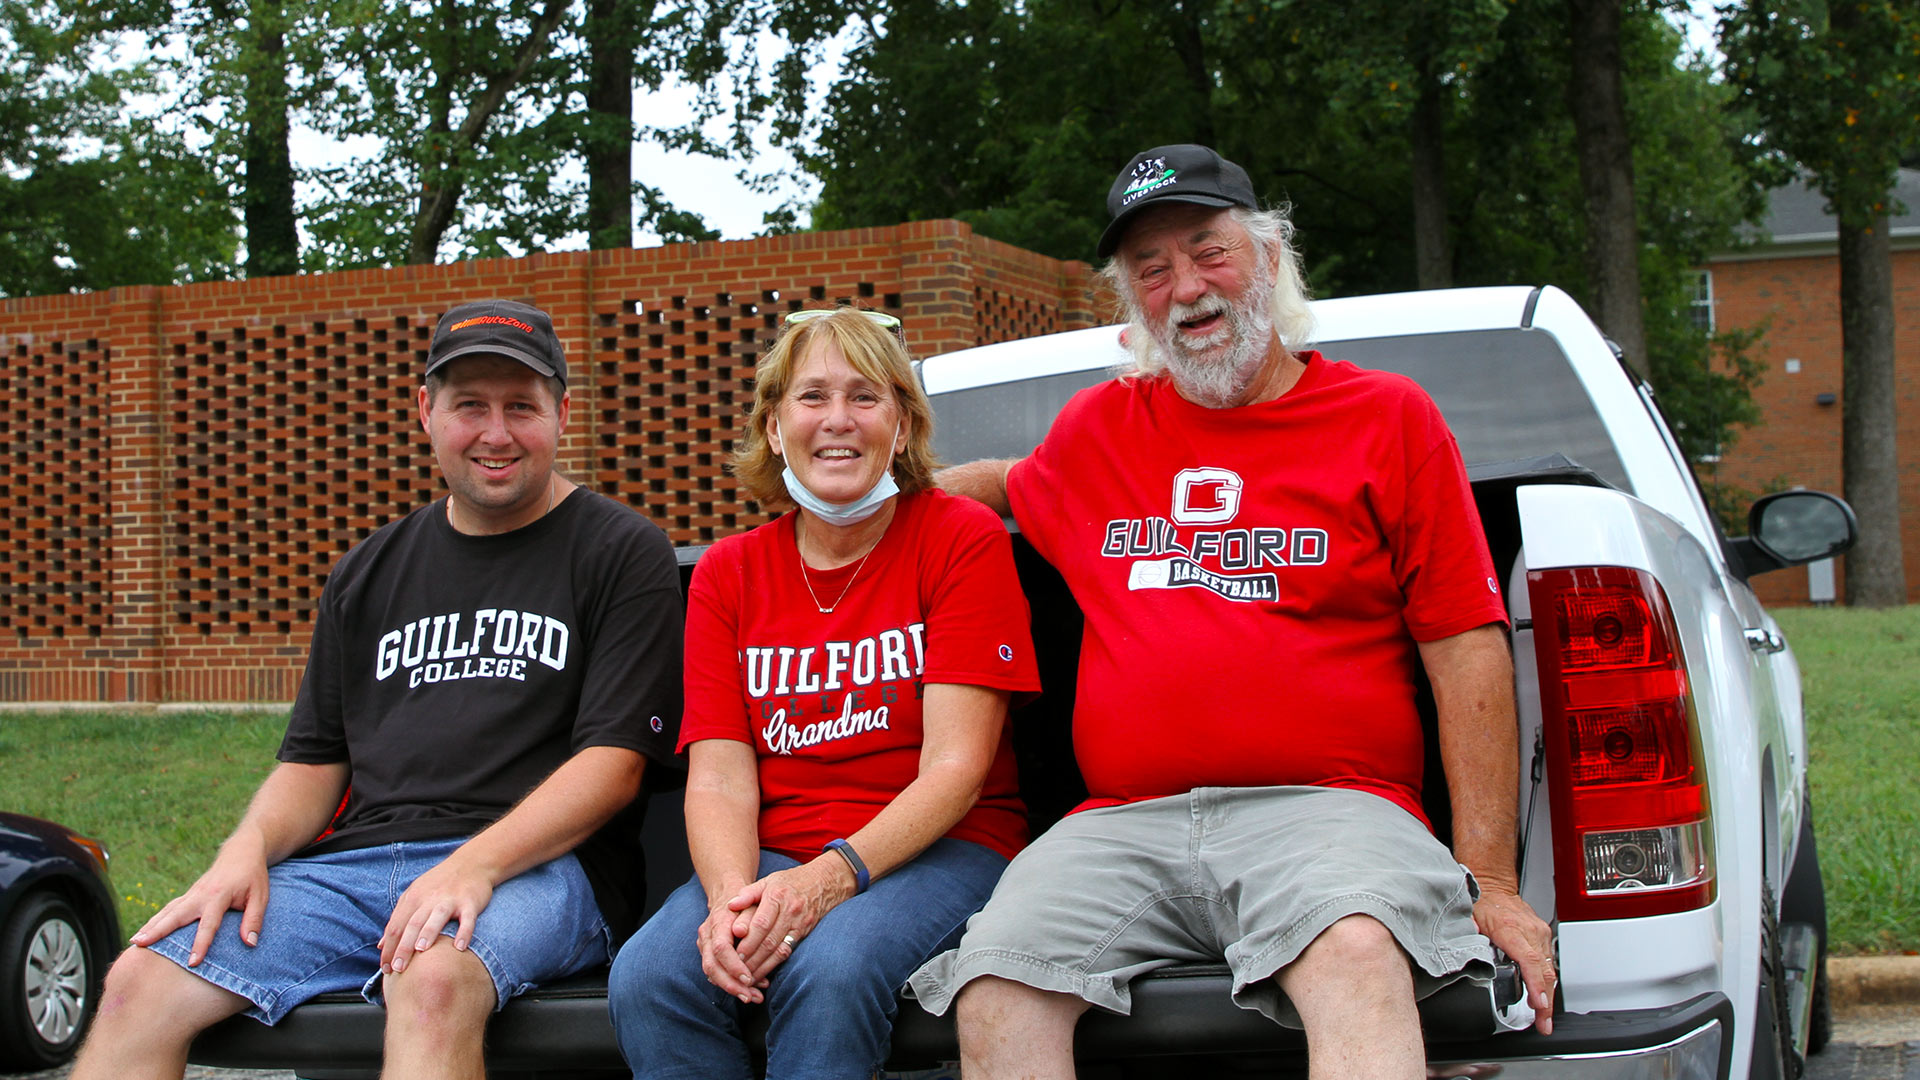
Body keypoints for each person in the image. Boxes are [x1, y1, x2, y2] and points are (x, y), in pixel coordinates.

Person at [906, 145, 1557, 1080]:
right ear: (1132, 299)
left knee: (1356, 953)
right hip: (1121, 823)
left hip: (1334, 810)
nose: (1186, 288)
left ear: (1269, 255)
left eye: (1208, 251)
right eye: (1152, 269)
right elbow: (1007, 485)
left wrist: (1489, 880)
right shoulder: (1099, 428)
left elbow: (1467, 651)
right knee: (996, 983)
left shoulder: (1388, 418)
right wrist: (880, 513)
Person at [73, 299, 684, 1080]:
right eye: (470, 406)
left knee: (429, 976)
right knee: (137, 982)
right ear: (426, 411)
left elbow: (615, 765)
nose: (495, 434)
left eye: (521, 407)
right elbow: (313, 762)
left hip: (538, 869)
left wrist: (474, 865)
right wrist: (245, 851)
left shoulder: (621, 551)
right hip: (353, 870)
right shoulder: (367, 572)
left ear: (562, 414)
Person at [607, 306, 1040, 1080]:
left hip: (943, 850)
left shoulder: (958, 539)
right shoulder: (728, 574)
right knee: (652, 976)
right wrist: (729, 904)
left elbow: (955, 768)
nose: (836, 420)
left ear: (901, 428)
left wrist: (823, 882)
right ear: (775, 429)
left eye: (865, 396)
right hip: (774, 853)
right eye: (811, 397)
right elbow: (717, 774)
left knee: (830, 969)